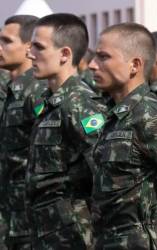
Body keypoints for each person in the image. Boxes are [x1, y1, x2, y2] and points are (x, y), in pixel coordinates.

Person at [89, 23, 157, 250]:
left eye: (103, 57)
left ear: (134, 65)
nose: (91, 65)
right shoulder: (115, 114)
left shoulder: (152, 117)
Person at [25, 13, 106, 249]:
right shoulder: (50, 101)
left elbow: (104, 174)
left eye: (39, 47)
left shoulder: (80, 104)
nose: (30, 54)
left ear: (65, 54)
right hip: (46, 233)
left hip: (73, 237)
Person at [0, 15, 48, 250]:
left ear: (29, 47)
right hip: (9, 217)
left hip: (33, 221)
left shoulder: (38, 92)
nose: (0, 48)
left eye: (7, 41)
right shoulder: (11, 90)